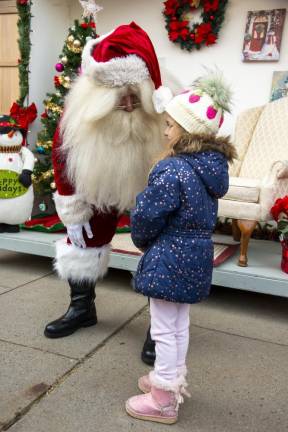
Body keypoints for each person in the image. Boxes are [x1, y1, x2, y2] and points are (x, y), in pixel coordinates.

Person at [44, 22, 175, 338]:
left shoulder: (166, 114)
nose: (130, 106)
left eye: (135, 98)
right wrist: (72, 210)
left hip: (148, 190)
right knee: (83, 241)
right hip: (95, 188)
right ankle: (81, 308)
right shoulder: (77, 118)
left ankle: (162, 329)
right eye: (120, 99)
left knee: (162, 251)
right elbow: (62, 162)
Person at [125, 70, 237, 424]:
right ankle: (169, 381)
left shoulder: (172, 169)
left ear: (187, 132)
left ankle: (163, 399)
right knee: (177, 325)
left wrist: (142, 240)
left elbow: (147, 214)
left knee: (162, 328)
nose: (165, 130)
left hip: (170, 255)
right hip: (196, 257)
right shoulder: (209, 171)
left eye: (171, 125)